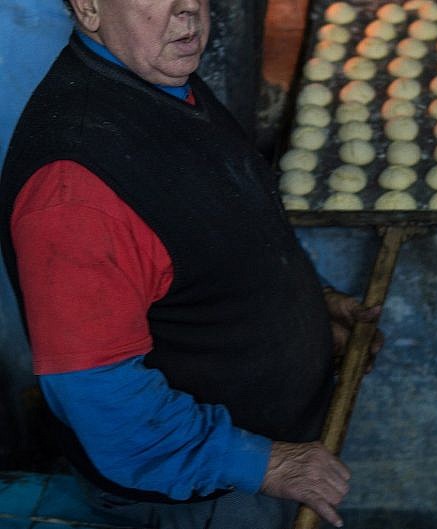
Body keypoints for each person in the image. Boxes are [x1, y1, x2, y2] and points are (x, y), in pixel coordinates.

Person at [0, 1, 383, 528]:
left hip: (270, 451)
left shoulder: (161, 83)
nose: (190, 10)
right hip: (206, 496)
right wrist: (262, 462)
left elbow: (218, 231)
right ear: (88, 7)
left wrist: (313, 307)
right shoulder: (74, 189)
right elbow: (99, 398)